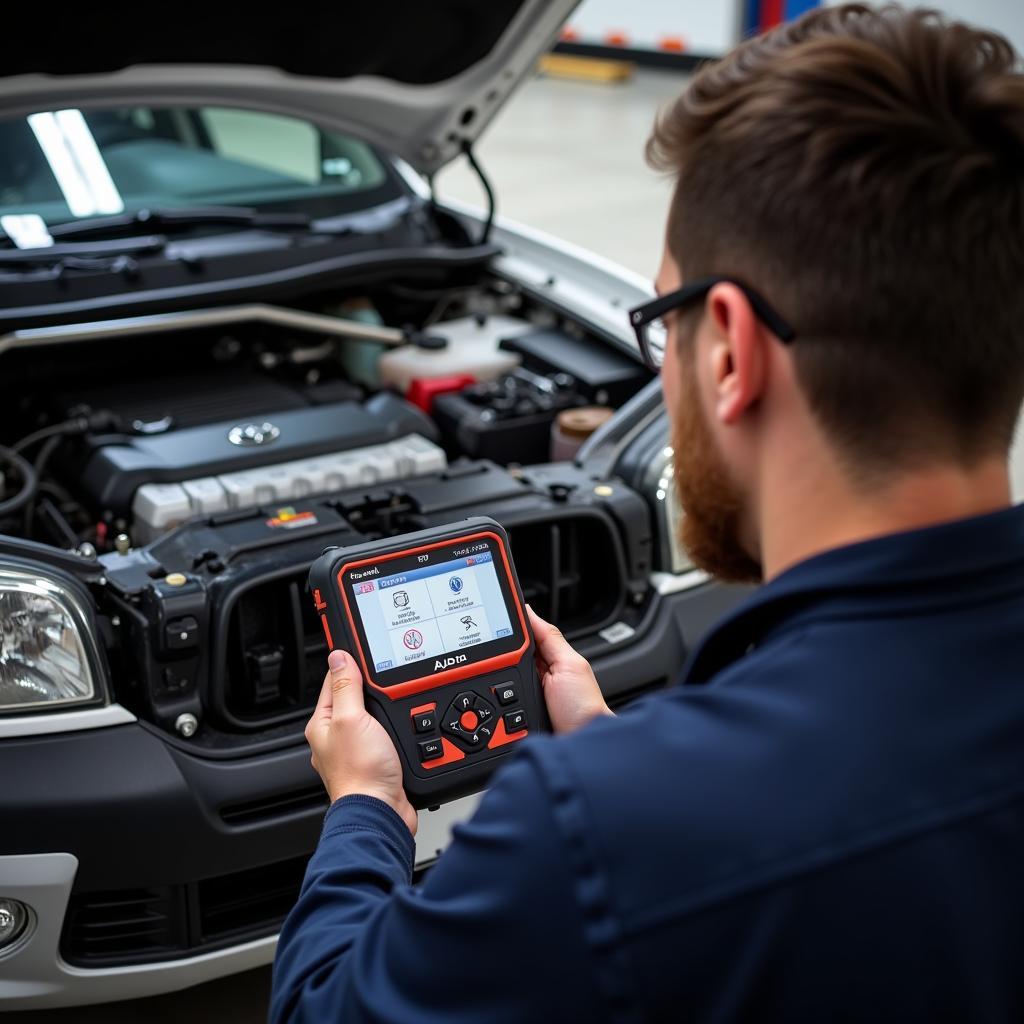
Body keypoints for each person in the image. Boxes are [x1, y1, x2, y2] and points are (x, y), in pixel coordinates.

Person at [271, 5, 1024, 1021]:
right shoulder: (635, 805)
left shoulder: (596, 832)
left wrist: (367, 807)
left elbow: (327, 1007)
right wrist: (622, 748)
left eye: (658, 322)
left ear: (725, 349)